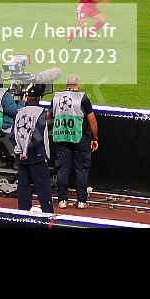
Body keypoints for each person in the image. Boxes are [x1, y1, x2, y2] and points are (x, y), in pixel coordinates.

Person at [52, 75, 99, 209]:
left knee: (63, 169)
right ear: (78, 84)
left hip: (61, 138)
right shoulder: (82, 98)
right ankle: (81, 201)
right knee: (81, 169)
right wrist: (95, 138)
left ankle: (62, 200)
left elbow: (49, 117)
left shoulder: (56, 97)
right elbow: (92, 120)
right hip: (79, 139)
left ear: (66, 84)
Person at [13, 83, 53, 214]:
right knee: (44, 191)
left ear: (27, 97)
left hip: (21, 159)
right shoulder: (41, 113)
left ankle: (22, 219)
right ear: (39, 98)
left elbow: (14, 134)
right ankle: (49, 218)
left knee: (23, 192)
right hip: (36, 157)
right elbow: (37, 136)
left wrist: (19, 152)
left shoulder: (19, 113)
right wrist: (26, 152)